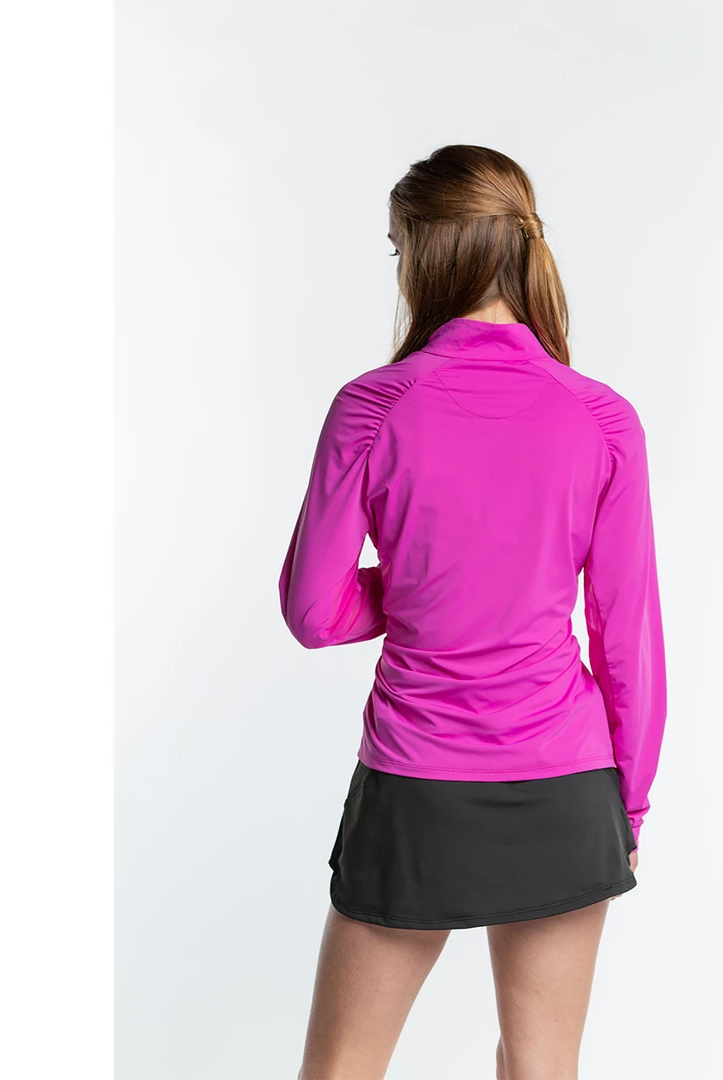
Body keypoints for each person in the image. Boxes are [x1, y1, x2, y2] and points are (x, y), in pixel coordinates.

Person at [278, 144, 668, 1080]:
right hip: (567, 785)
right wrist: (628, 806)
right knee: (542, 1070)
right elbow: (630, 638)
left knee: (341, 1070)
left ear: (425, 253)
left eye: (396, 250)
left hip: (418, 784)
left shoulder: (373, 406)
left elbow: (313, 610)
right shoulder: (602, 418)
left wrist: (418, 587)